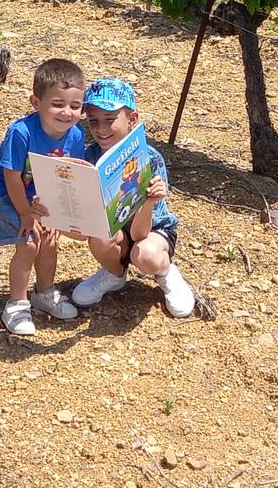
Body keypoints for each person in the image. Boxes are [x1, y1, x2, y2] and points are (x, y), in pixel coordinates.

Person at [71, 77, 197, 318]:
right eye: (94, 121)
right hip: (114, 230)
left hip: (150, 231)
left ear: (132, 120)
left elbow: (140, 234)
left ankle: (166, 271)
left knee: (145, 254)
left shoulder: (149, 159)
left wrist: (149, 201)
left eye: (109, 120)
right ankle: (113, 274)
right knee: (99, 236)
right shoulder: (89, 157)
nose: (100, 129)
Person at [0, 57, 88, 335]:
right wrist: (26, 213)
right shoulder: (22, 132)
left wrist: (56, 213)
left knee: (50, 240)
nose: (67, 112)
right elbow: (11, 176)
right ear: (36, 103)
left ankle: (44, 292)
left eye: (75, 106)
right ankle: (16, 304)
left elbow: (66, 175)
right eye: (57, 104)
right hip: (5, 192)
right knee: (29, 243)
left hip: (41, 193)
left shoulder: (75, 136)